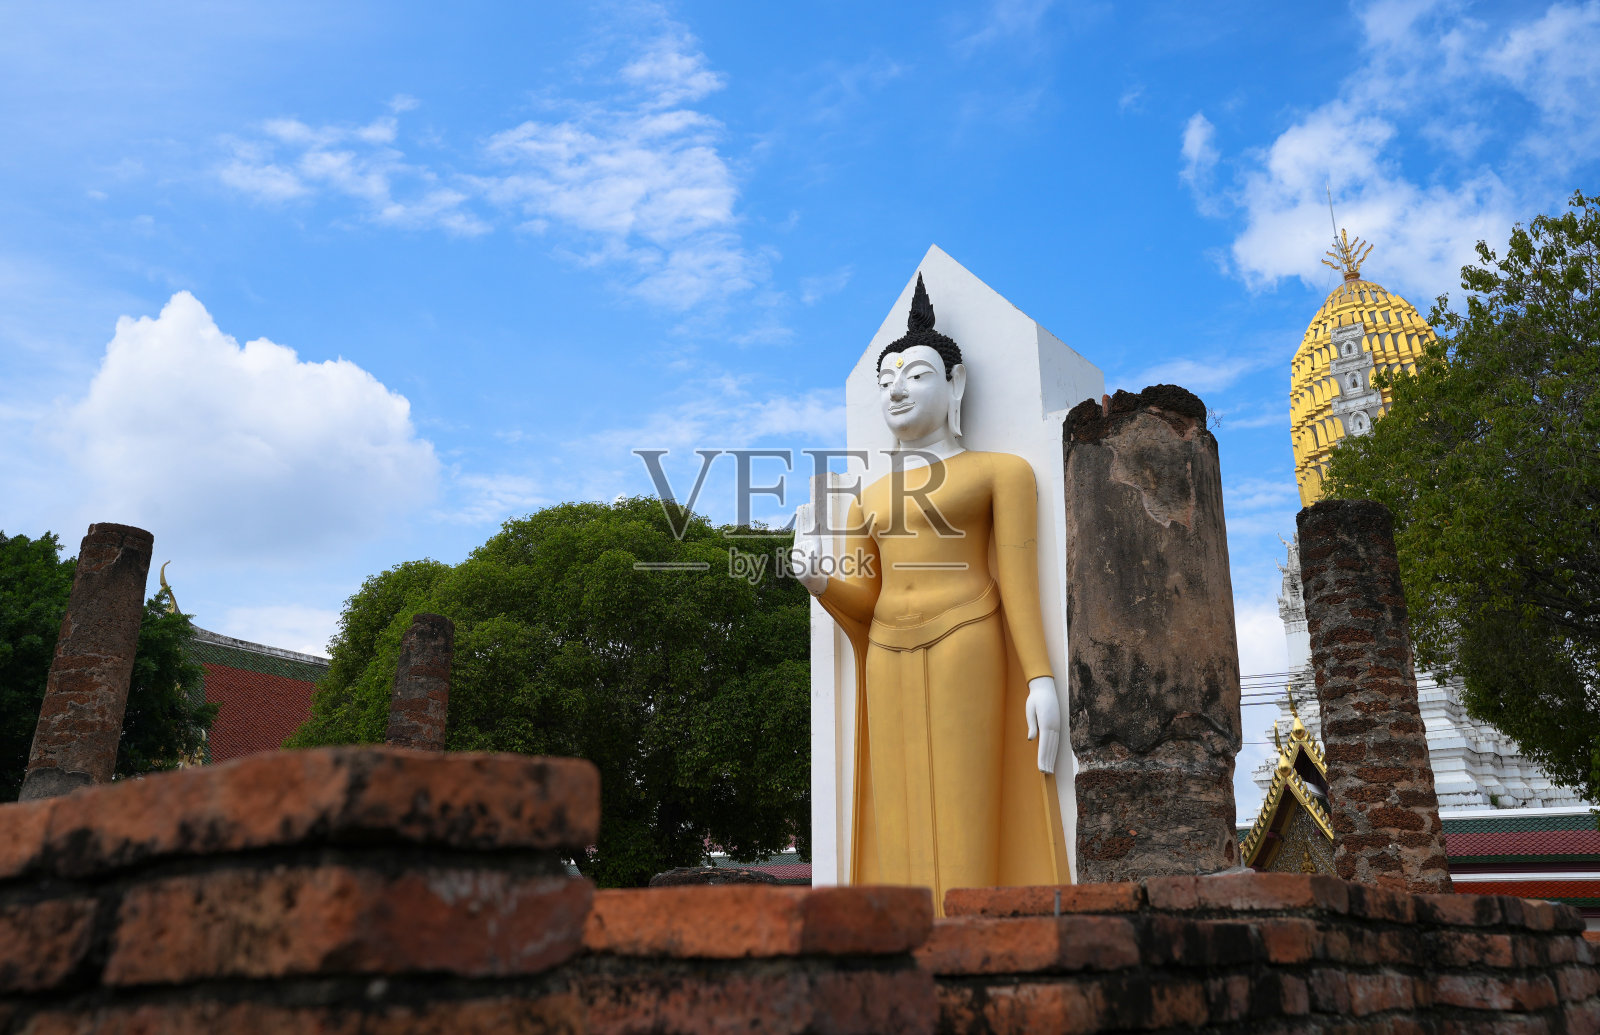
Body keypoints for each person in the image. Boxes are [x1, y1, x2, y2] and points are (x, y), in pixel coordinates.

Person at [793, 275, 1068, 908]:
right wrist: (819, 579)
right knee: (898, 809)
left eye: (916, 374)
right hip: (886, 651)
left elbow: (1018, 583)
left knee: (966, 804)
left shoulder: (999, 472)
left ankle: (972, 952)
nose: (896, 387)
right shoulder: (869, 496)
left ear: (955, 385)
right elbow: (864, 604)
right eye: (886, 377)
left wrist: (1040, 678)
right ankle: (904, 954)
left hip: (966, 636)